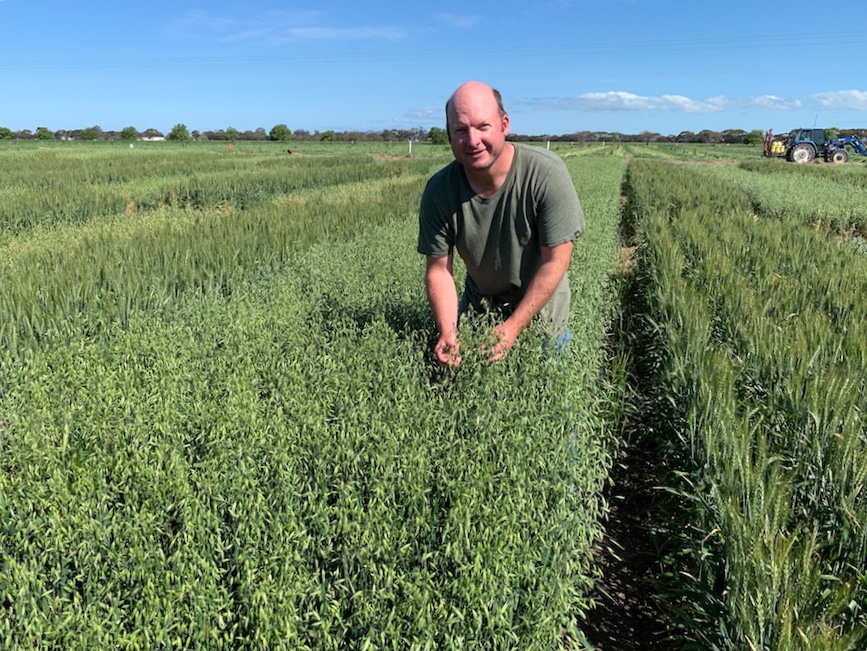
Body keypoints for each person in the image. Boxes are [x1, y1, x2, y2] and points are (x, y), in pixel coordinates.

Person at [417, 80, 585, 368]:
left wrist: (513, 328)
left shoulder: (545, 173)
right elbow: (439, 270)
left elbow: (555, 262)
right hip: (480, 310)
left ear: (504, 125)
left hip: (542, 314)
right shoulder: (439, 191)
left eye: (483, 126)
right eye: (460, 130)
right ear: (448, 135)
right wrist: (448, 330)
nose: (472, 141)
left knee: (549, 401)